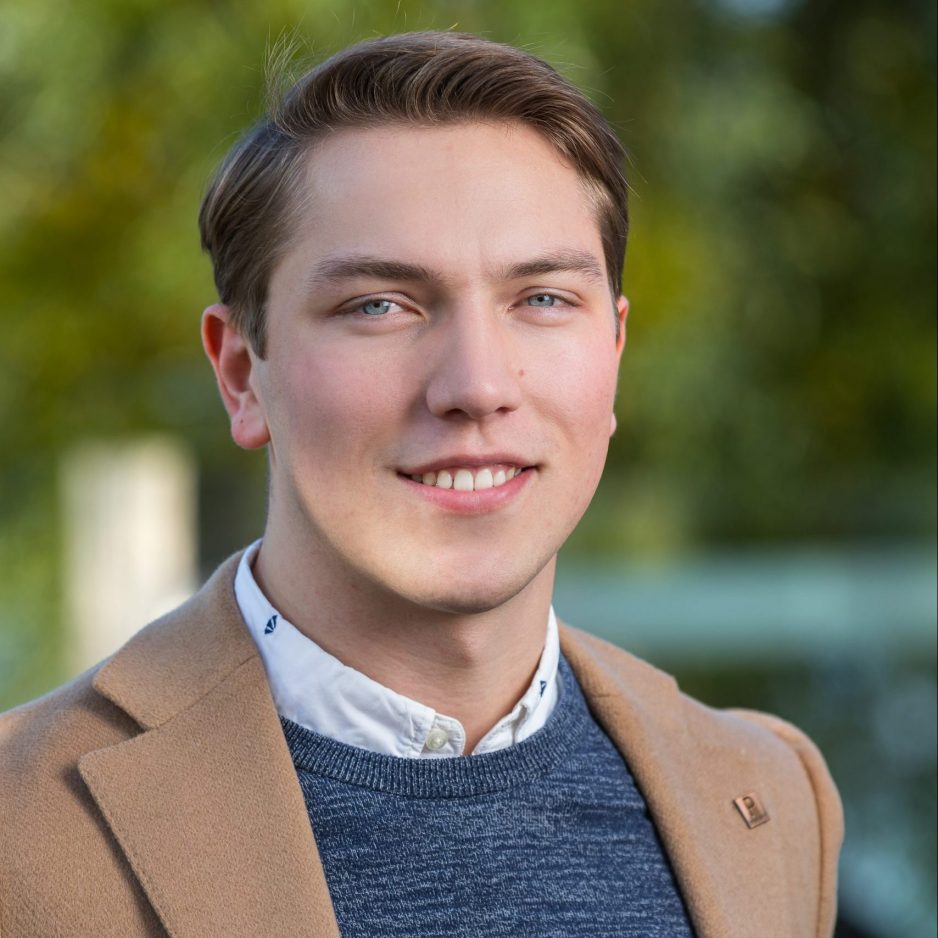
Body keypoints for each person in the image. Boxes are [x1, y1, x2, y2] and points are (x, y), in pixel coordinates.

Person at [0, 31, 842, 937]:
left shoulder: (771, 796)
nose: (477, 385)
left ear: (614, 350)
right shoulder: (21, 824)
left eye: (543, 298)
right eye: (379, 305)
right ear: (242, 375)